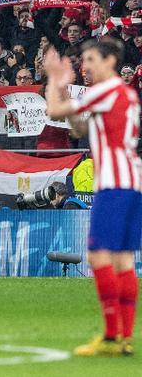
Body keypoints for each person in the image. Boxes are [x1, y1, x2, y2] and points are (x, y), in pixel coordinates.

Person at [44, 37, 141, 357]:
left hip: (113, 184)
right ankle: (124, 337)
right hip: (132, 182)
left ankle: (112, 337)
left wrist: (55, 79)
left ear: (110, 62)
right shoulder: (125, 94)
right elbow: (77, 129)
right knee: (123, 260)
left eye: (90, 60)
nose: (85, 66)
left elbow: (54, 111)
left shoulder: (105, 90)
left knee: (99, 257)